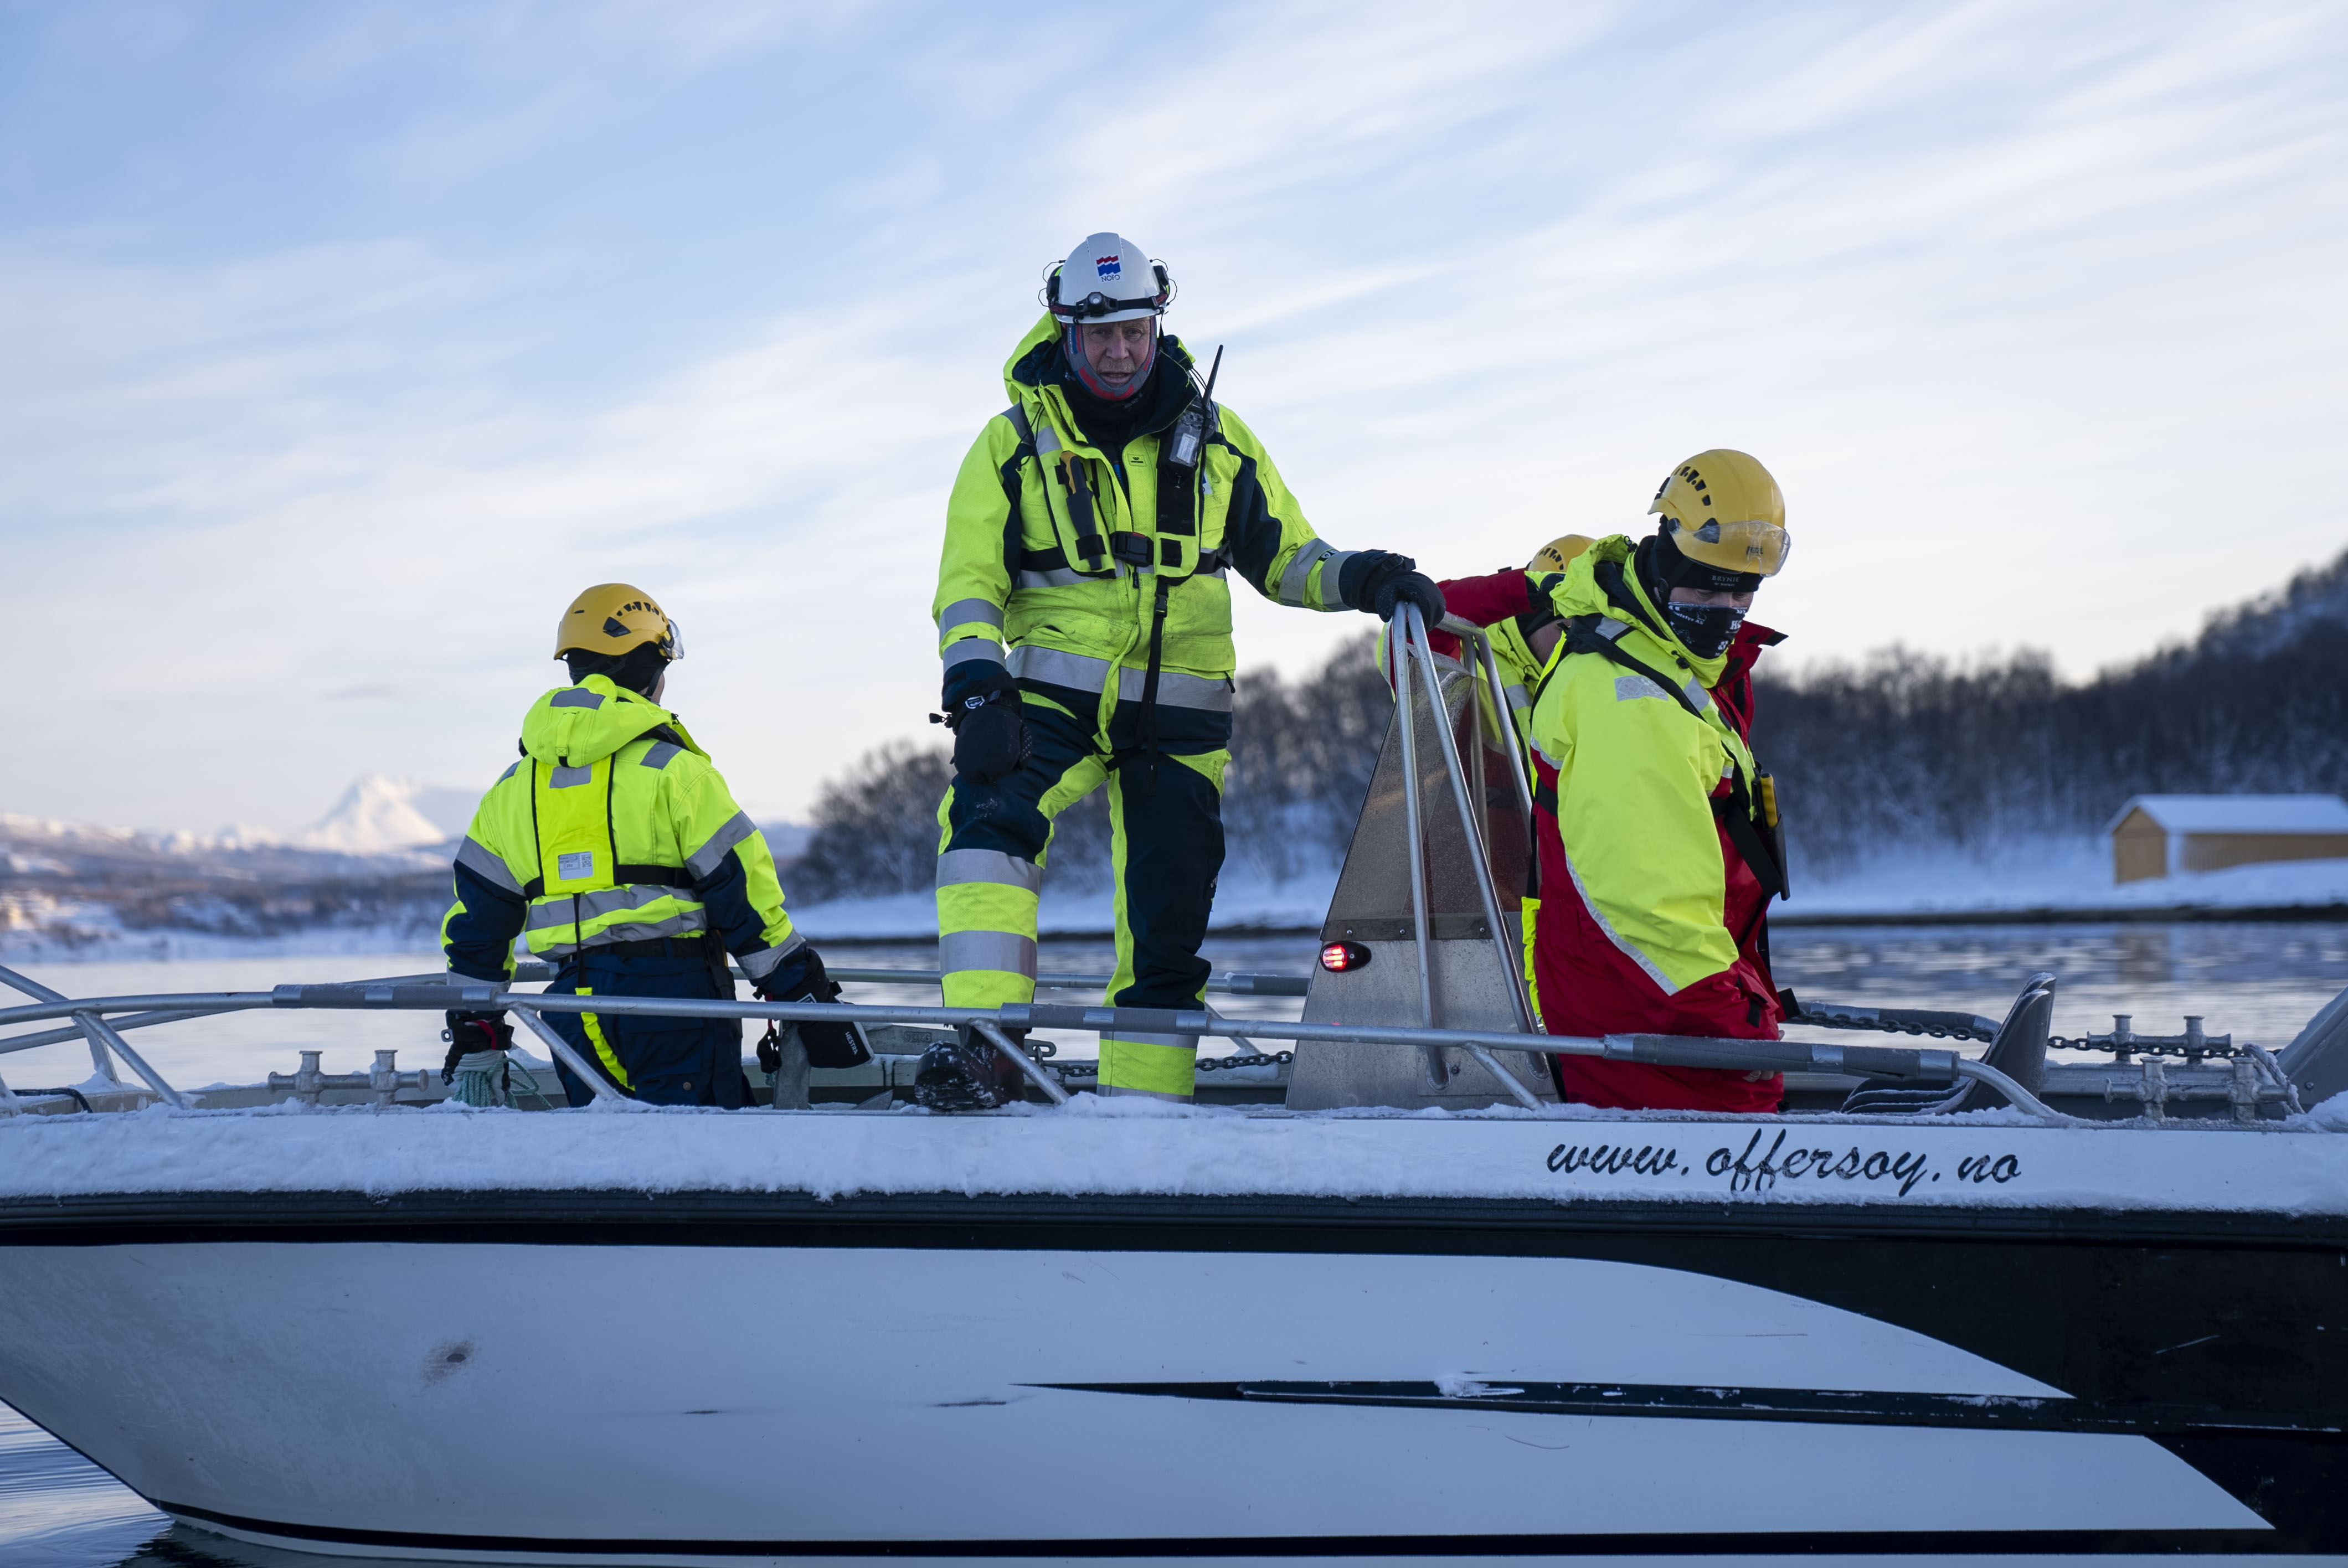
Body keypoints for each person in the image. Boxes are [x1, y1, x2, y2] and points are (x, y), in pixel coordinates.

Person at [922, 232, 1446, 1108]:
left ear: (1158, 325)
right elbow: (967, 586)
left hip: (1182, 717)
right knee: (984, 823)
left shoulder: (1223, 441)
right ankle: (987, 1048)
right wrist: (975, 685)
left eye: (1136, 331)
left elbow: (1289, 559)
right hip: (1051, 699)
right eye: (1102, 336)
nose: (1121, 351)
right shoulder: (1009, 444)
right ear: (1065, 334)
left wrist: (1366, 576)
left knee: (1167, 931)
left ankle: (1148, 1114)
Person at [439, 584, 852, 1107]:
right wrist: (800, 992)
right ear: (647, 669)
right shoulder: (675, 772)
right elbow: (744, 900)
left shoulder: (510, 789)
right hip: (674, 1002)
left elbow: (477, 928)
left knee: (605, 1157)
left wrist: (476, 1029)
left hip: (569, 1013)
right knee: (697, 1157)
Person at [1523, 452, 1791, 1111]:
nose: (1726, 609)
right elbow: (1646, 903)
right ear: (1664, 557)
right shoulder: (1629, 694)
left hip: (1671, 1011)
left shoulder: (1674, 668)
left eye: (1742, 591)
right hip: (1651, 1022)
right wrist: (1738, 1023)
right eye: (1706, 589)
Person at [1377, 534, 1595, 1024]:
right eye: (1566, 623)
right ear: (1536, 612)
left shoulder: (1593, 679)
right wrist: (1526, 589)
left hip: (1558, 900)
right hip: (1474, 909)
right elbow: (1417, 623)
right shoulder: (1472, 657)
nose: (1578, 640)